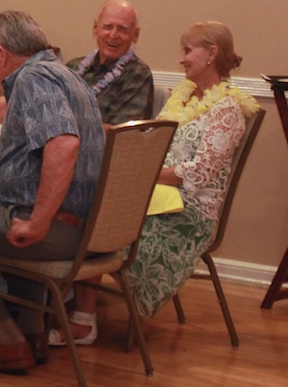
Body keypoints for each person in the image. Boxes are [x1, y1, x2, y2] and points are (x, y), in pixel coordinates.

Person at [49, 21, 258, 345]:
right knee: (90, 204)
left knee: (102, 220)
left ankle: (81, 321)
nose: (182, 59)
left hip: (188, 214)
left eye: (188, 50)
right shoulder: (184, 97)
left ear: (212, 54)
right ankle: (65, 309)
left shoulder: (227, 108)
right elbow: (158, 148)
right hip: (161, 197)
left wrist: (142, 176)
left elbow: (199, 174)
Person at [0, 10, 105, 372]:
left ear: (2, 53)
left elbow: (64, 144)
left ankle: (7, 341)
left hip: (62, 229)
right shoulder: (64, 74)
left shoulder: (34, 78)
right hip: (87, 225)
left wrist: (38, 222)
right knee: (14, 209)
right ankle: (32, 333)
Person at [67, 0, 154, 128]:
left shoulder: (137, 74)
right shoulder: (72, 67)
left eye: (122, 29)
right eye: (108, 27)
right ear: (95, 28)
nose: (113, 35)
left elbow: (119, 133)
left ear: (135, 35)